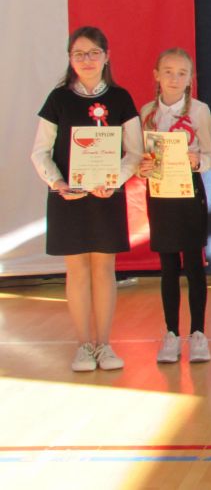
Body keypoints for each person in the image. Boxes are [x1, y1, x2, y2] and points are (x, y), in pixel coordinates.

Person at [31, 27, 142, 371]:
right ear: (70, 59)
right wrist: (58, 183)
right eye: (79, 54)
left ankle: (104, 345)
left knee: (104, 270)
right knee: (77, 271)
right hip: (69, 199)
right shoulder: (58, 99)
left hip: (107, 196)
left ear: (106, 56)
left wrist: (114, 180)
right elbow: (40, 152)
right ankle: (83, 346)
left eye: (94, 52)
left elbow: (134, 152)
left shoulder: (121, 99)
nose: (87, 60)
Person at [138, 48, 211, 364]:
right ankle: (171, 333)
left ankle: (198, 333)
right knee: (168, 265)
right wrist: (142, 168)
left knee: (194, 264)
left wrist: (198, 161)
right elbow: (139, 157)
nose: (174, 78)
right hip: (159, 193)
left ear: (190, 78)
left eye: (182, 73)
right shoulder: (147, 113)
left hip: (189, 192)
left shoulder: (199, 111)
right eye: (168, 72)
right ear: (156, 75)